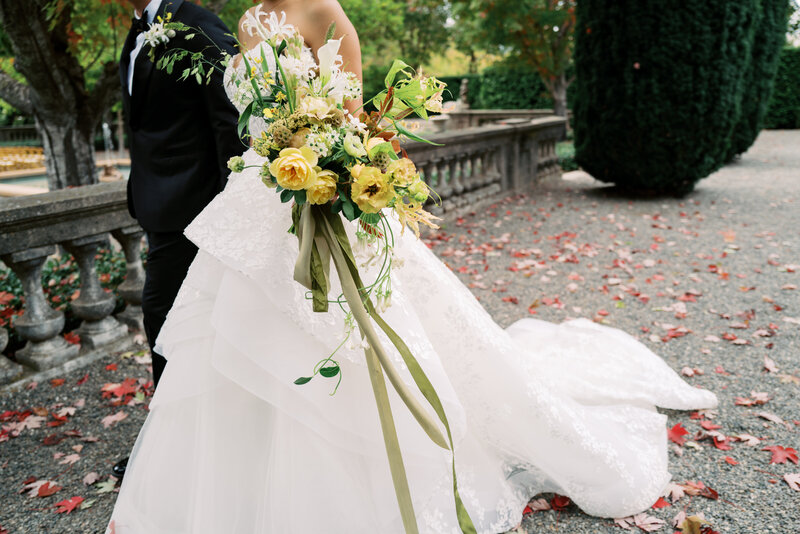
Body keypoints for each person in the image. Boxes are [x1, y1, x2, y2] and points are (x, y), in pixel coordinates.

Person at [107, 1, 718, 532]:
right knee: (246, 333)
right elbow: (245, 122)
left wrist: (331, 161)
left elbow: (357, 115)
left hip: (331, 190)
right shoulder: (244, 23)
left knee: (362, 334)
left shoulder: (324, 9)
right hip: (266, 197)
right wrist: (272, 158)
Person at [114, 0, 244, 480]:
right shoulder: (136, 30)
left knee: (164, 320)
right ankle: (193, 443)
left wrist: (229, 213)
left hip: (197, 210)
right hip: (157, 205)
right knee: (187, 327)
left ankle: (169, 458)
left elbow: (231, 121)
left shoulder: (199, 25)